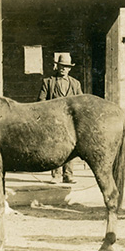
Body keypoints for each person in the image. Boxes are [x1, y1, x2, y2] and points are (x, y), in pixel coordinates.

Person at [39, 53, 82, 183]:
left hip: (70, 122)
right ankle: (56, 175)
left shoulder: (75, 84)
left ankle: (68, 175)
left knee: (70, 148)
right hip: (53, 121)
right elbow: (41, 101)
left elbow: (80, 103)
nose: (63, 68)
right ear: (57, 67)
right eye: (61, 66)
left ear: (70, 68)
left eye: (66, 66)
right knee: (55, 148)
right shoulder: (48, 82)